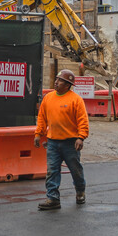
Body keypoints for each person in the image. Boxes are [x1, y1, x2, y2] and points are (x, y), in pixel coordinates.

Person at [34, 69, 89, 210]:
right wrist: (38, 134)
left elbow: (82, 120)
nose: (56, 82)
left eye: (60, 80)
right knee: (52, 170)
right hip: (53, 142)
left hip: (71, 143)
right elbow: (42, 117)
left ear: (67, 85)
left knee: (75, 169)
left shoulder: (75, 100)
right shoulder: (48, 98)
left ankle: (80, 191)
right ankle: (53, 198)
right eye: (56, 79)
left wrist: (81, 137)